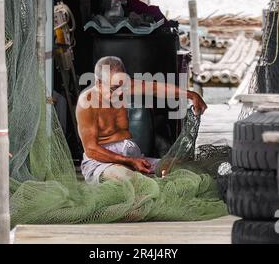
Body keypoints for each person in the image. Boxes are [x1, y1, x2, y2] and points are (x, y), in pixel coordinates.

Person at [76, 56, 207, 184]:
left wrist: (191, 95)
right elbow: (91, 150)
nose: (121, 93)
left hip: (131, 156)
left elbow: (155, 88)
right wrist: (129, 161)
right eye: (114, 88)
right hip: (101, 163)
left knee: (183, 167)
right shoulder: (87, 103)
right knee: (131, 179)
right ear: (99, 83)